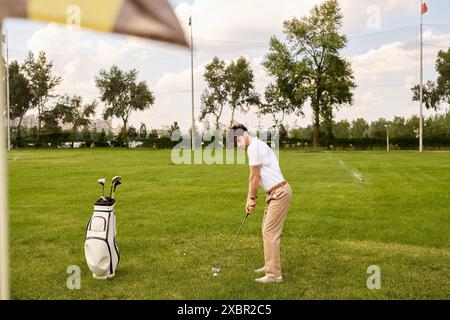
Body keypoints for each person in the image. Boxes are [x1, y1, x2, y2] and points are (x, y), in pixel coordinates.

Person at [231, 124, 292, 283]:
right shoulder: (256, 145)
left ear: (245, 134)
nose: (238, 145)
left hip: (279, 193)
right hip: (274, 193)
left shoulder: (253, 147)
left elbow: (254, 177)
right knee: (266, 230)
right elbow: (255, 177)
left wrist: (251, 198)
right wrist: (252, 198)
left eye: (237, 140)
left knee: (270, 232)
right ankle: (269, 266)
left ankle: (274, 275)